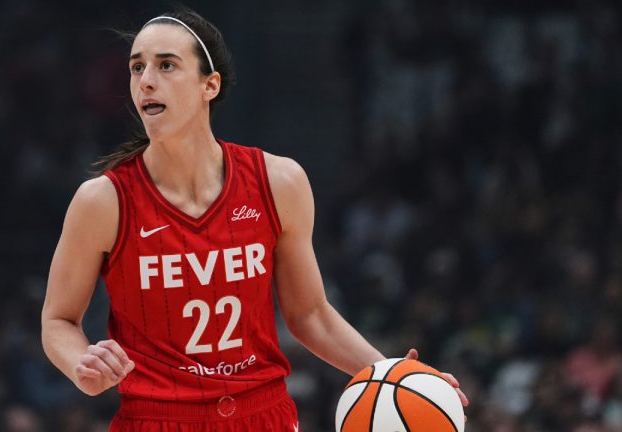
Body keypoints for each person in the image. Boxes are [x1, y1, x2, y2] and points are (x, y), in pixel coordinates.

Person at [41, 6, 469, 431]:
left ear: (210, 85)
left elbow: (310, 314)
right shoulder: (103, 201)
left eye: (166, 65)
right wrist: (82, 362)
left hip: (262, 416)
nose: (146, 80)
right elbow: (58, 320)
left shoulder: (278, 181)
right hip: (156, 420)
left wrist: (397, 378)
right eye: (137, 68)